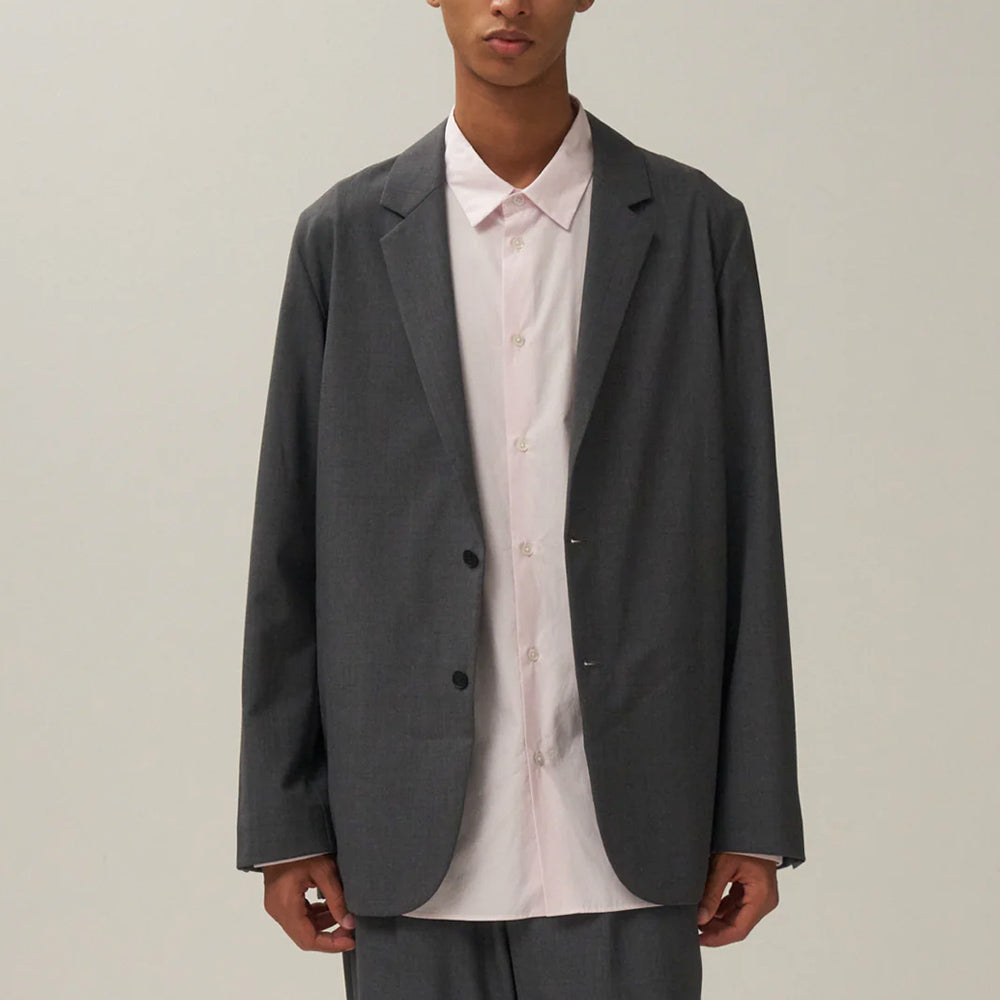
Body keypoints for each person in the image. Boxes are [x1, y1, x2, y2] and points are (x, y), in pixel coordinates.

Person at [236, 1, 805, 996]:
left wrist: (753, 814)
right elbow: (289, 545)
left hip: (633, 833)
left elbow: (747, 527)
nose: (508, 1)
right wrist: (285, 822)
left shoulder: (695, 228)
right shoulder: (342, 239)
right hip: (403, 839)